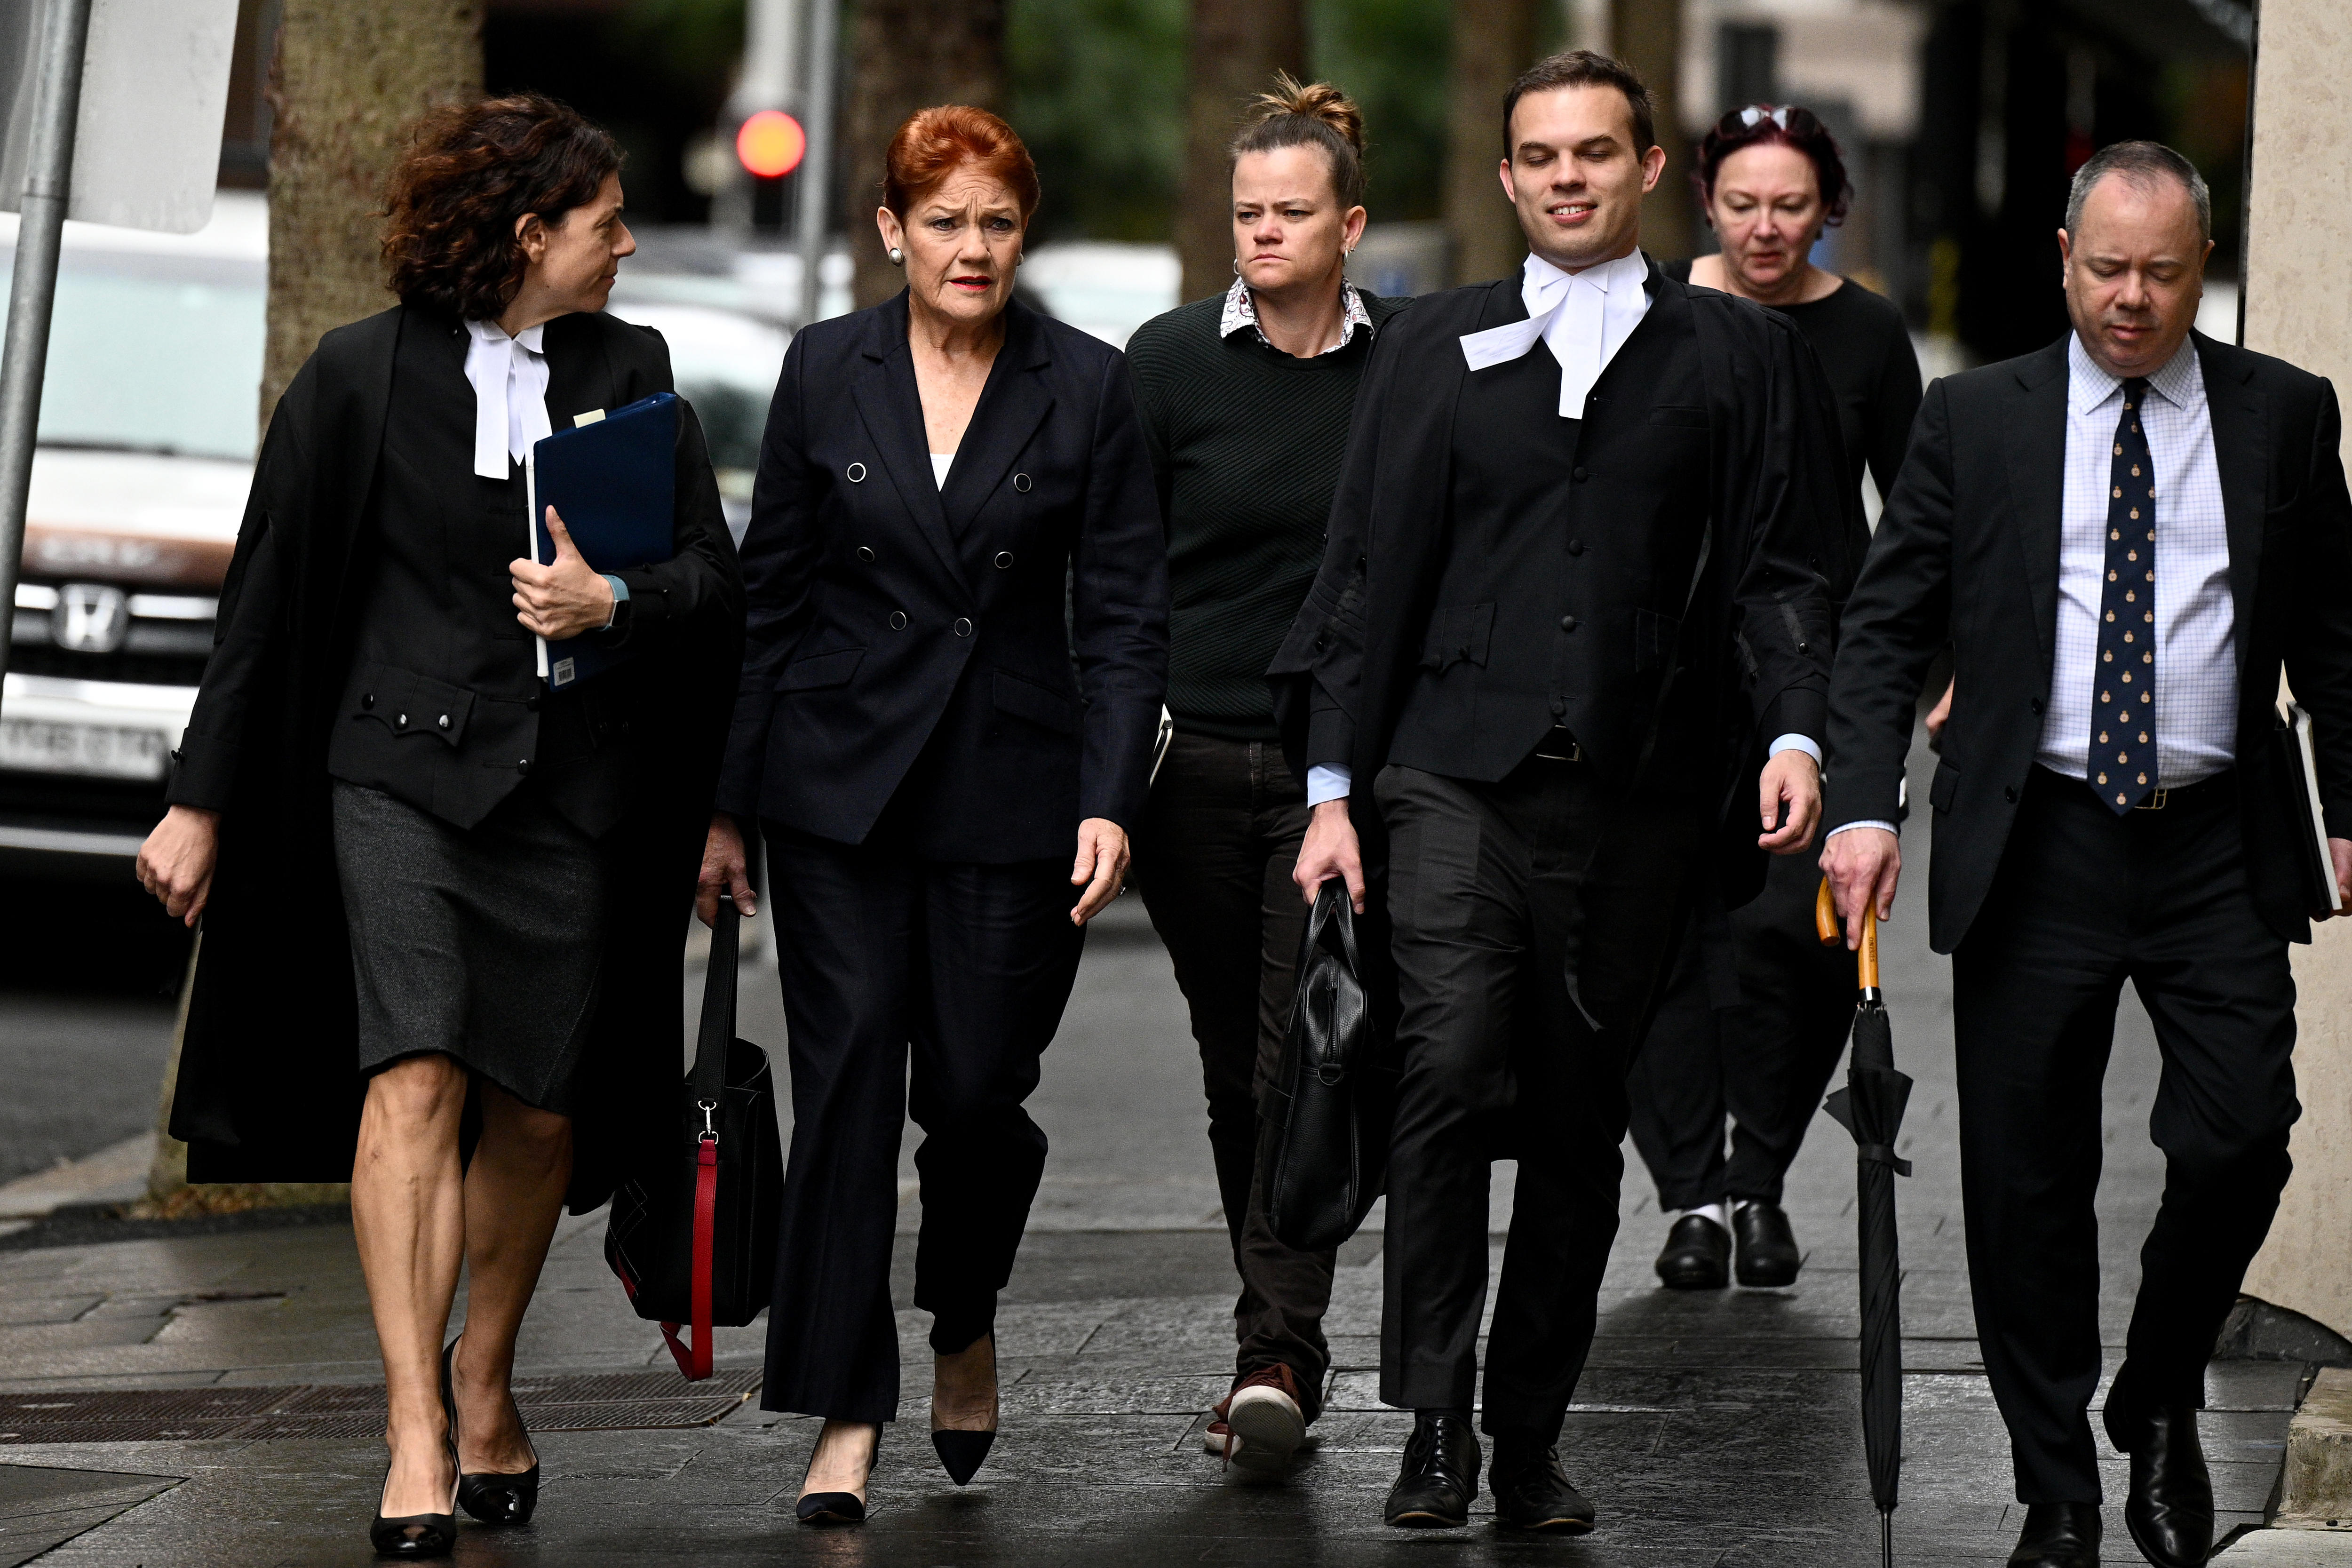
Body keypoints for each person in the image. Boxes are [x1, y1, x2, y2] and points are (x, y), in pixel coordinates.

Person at [131, 95, 744, 1558]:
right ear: (533, 235)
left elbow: (716, 587)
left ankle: (486, 1367)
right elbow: (266, 607)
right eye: (607, 221)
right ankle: (414, 1418)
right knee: (410, 1076)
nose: (628, 242)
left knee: (537, 1103)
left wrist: (617, 601)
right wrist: (198, 798)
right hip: (393, 781)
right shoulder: (355, 379)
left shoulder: (632, 368)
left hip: (574, 795)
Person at [1275, 49, 1849, 1533]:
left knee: (1588, 1126)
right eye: (1540, 156)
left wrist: (1795, 735)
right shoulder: (1430, 348)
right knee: (1449, 1069)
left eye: (1597, 152)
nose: (1567, 177)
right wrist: (1332, 786)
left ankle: (1528, 1433)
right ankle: (1434, 1421)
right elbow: (1360, 571)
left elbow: (1785, 572)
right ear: (1510, 175)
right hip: (1449, 775)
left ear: (1649, 171)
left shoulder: (1736, 356)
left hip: (1645, 796)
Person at [1820, 141, 2352, 1568]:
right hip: (2035, 835)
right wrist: (1865, 803)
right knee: (2026, 1176)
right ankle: (2056, 1488)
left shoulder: (2287, 416)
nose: (2132, 298)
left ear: (2204, 265)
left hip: (2215, 839)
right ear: (2064, 257)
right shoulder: (1974, 419)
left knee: (2242, 1132)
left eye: (2164, 273)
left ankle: (2161, 1388)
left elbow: (2336, 633)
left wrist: (2349, 796)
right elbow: (1885, 627)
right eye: (2107, 267)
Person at [697, 105, 1167, 1525]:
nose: (975, 248)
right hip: (837, 790)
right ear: (894, 232)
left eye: (1000, 222)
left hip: (1014, 793)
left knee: (972, 1090)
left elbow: (1131, 613)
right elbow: (769, 598)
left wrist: (1109, 798)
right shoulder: (822, 369)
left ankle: (963, 1307)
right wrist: (728, 810)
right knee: (847, 1092)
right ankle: (844, 1404)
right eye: (947, 221)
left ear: (1026, 235)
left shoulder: (1086, 384)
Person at [1123, 74, 1408, 1477]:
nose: (1265, 234)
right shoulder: (1168, 364)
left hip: (1334, 772)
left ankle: (1275, 1351)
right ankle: (1278, 1328)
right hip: (1192, 768)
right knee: (1240, 1068)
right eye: (1247, 213)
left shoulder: (1406, 365)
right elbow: (1121, 576)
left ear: (1350, 222)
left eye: (1294, 212)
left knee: (1306, 1054)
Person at [1628, 102, 1921, 1291]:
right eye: (1741, 202)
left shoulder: (1864, 334)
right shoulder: (1648, 311)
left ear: (1828, 209)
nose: (1763, 227)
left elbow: (1917, 519)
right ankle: (1691, 1189)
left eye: (1789, 205)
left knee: (1799, 942)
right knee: (1659, 935)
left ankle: (1761, 1174)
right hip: (1660, 676)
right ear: (1705, 198)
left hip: (1822, 668)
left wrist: (1936, 675)